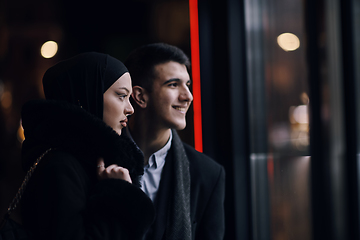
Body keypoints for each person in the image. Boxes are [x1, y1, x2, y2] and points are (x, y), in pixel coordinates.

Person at [20, 52, 155, 240]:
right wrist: (117, 193)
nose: (130, 108)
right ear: (87, 95)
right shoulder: (60, 167)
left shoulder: (92, 161)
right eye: (122, 96)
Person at [124, 43, 225, 240]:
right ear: (139, 96)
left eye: (187, 85)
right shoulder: (98, 159)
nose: (188, 96)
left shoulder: (208, 174)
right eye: (173, 84)